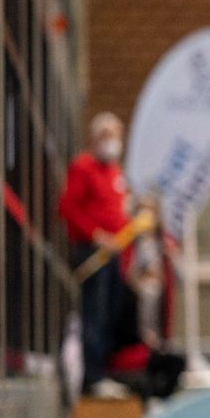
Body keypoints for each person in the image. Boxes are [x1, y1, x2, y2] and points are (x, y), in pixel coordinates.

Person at [58, 113, 134, 392]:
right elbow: (68, 208)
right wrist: (96, 235)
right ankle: (92, 377)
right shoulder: (83, 167)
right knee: (94, 313)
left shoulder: (115, 171)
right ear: (96, 138)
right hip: (92, 253)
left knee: (110, 313)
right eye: (109, 136)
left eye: (117, 135)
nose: (114, 142)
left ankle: (102, 371)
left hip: (114, 257)